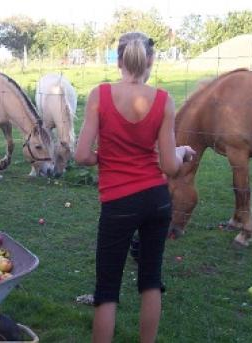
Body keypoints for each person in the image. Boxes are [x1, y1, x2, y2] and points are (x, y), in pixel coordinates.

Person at [74, 32, 196, 343]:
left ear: (118, 61)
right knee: (151, 281)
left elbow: (81, 155)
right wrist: (181, 152)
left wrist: (107, 157)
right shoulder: (164, 100)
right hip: (156, 201)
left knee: (107, 291)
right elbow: (170, 167)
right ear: (150, 61)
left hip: (118, 204)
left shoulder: (99, 95)